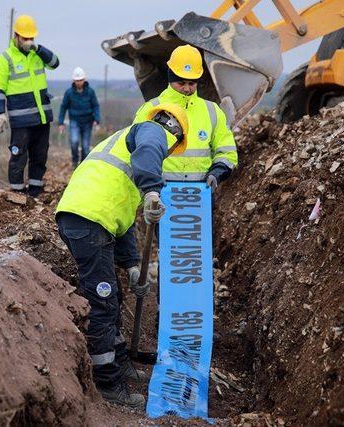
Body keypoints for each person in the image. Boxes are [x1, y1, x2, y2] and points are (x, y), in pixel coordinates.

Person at [55, 103, 189, 409]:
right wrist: (153, 192)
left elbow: (125, 220)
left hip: (89, 218)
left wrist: (130, 265)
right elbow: (148, 160)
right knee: (102, 302)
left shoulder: (128, 140)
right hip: (88, 220)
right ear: (175, 135)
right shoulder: (154, 131)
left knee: (111, 297)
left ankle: (120, 362)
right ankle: (108, 384)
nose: (167, 155)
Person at [133, 44, 238, 189]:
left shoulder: (212, 111)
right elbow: (136, 152)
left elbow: (227, 151)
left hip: (200, 192)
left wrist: (217, 172)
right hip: (160, 192)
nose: (187, 88)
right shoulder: (151, 110)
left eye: (191, 83)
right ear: (171, 79)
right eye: (181, 83)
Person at [0, 15, 60, 197]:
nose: (29, 41)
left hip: (42, 116)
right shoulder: (4, 59)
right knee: (18, 156)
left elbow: (55, 63)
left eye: (32, 38)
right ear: (16, 36)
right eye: (25, 38)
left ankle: (36, 191)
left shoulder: (37, 54)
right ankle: (17, 192)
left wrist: (37, 48)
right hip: (21, 120)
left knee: (40, 155)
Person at [58, 67, 101, 168]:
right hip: (74, 121)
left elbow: (96, 105)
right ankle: (74, 161)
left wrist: (97, 119)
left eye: (81, 80)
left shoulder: (90, 92)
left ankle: (83, 164)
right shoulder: (69, 93)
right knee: (74, 141)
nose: (79, 82)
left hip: (87, 122)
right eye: (77, 80)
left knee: (86, 146)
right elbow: (63, 107)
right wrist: (61, 123)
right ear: (73, 81)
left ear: (84, 80)